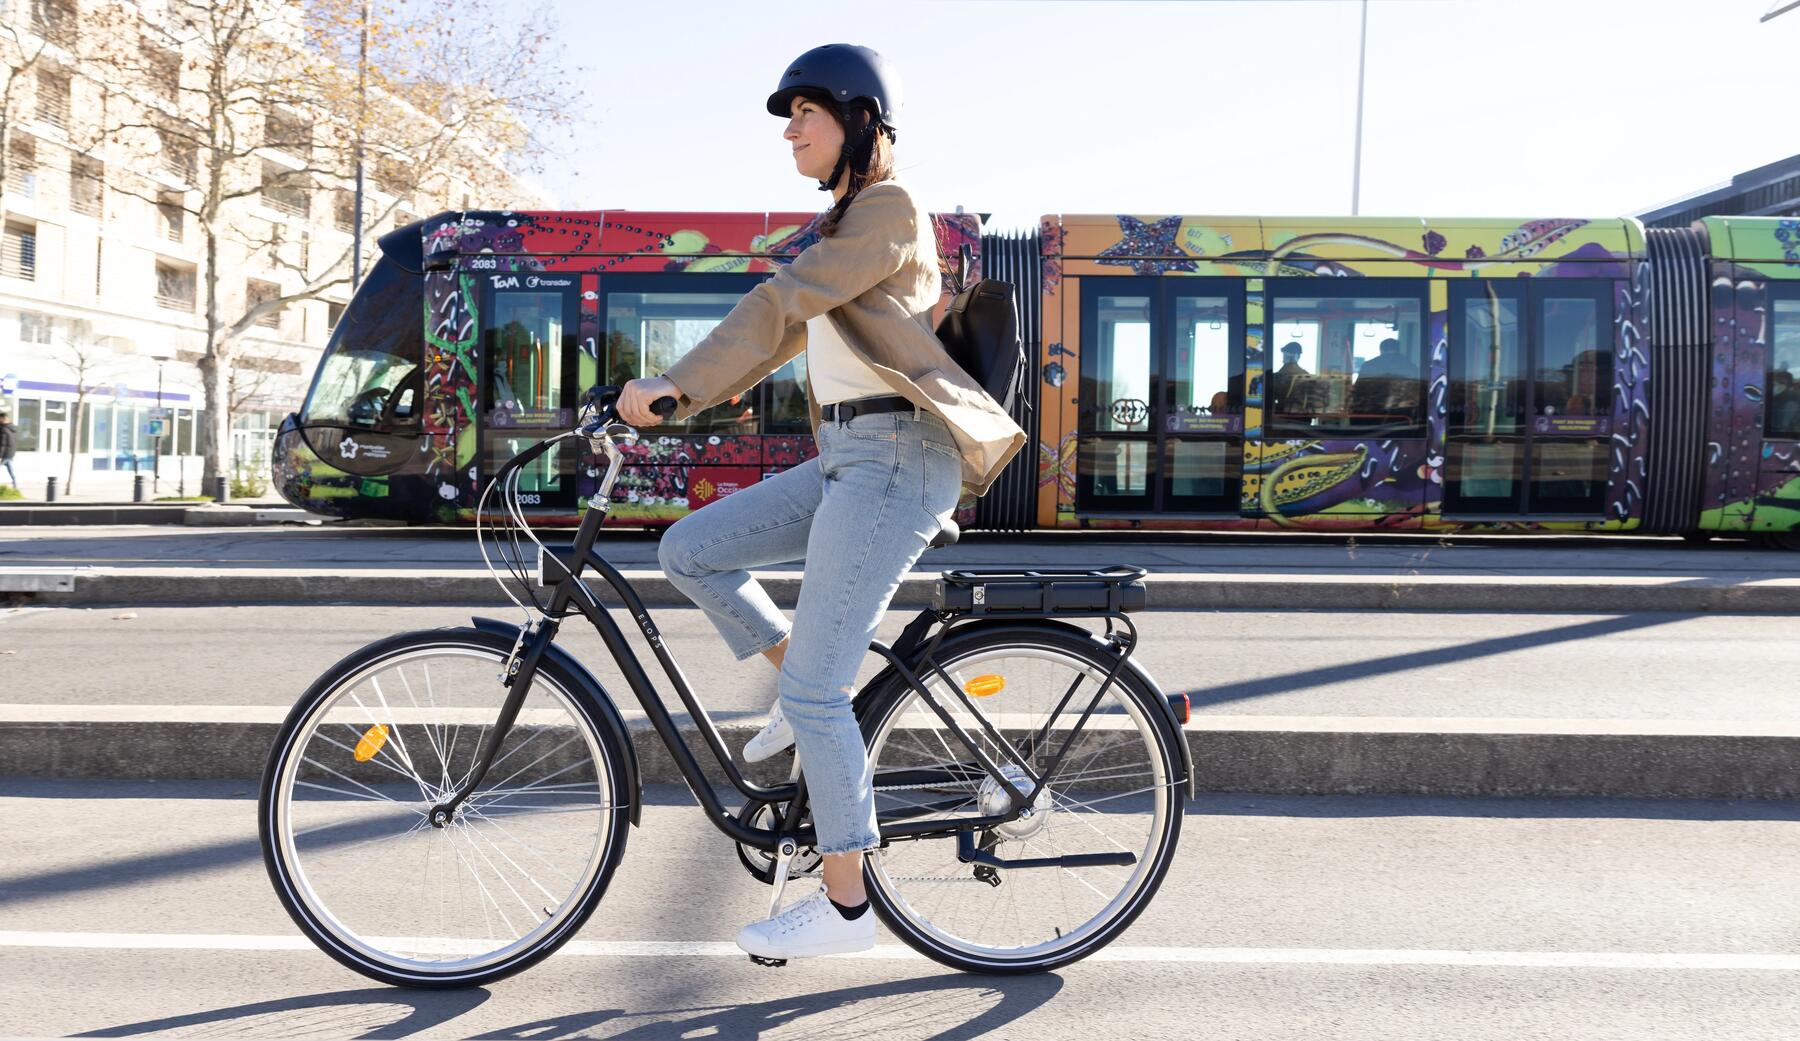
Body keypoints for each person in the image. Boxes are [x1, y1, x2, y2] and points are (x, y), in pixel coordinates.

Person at [616, 44, 1025, 962]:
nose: (789, 128)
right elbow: (777, 335)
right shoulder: (847, 223)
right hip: (847, 452)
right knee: (690, 550)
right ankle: (798, 681)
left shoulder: (888, 208)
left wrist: (674, 377)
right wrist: (679, 399)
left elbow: (782, 301)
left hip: (896, 458)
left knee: (816, 694)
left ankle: (846, 910)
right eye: (787, 114)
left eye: (807, 111)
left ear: (862, 124)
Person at [0, 410, 17, 489]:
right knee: (10, 468)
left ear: (3, 418)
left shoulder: (3, 429)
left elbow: (3, 444)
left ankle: (15, 483)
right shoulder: (11, 428)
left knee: (10, 468)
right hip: (10, 453)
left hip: (5, 454)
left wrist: (0, 456)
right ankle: (15, 483)